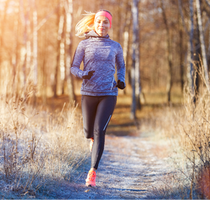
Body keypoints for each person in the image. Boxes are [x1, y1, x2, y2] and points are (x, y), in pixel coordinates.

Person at [70, 9, 126, 187]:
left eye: (106, 22)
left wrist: (121, 80)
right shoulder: (84, 45)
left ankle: (92, 173)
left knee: (99, 131)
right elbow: (73, 67)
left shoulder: (115, 46)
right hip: (88, 93)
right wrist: (83, 74)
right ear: (94, 23)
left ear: (110, 25)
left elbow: (121, 66)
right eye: (99, 22)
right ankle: (93, 141)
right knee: (89, 132)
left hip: (108, 93)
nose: (102, 25)